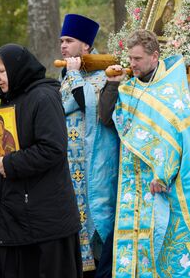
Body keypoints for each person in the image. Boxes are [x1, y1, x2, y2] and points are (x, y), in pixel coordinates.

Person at [99, 30, 190, 277]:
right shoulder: (128, 88)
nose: (132, 64)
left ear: (154, 56)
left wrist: (162, 173)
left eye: (137, 58)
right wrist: (112, 86)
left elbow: (179, 140)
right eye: (130, 58)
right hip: (134, 183)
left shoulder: (171, 90)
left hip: (165, 183)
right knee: (137, 248)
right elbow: (106, 118)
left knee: (168, 244)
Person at [0, 44, 82, 278]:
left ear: (16, 69)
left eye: (1, 71)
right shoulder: (8, 101)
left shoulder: (43, 97)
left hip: (45, 221)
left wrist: (12, 164)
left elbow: (53, 148)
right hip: (14, 214)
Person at [58, 14, 119, 277]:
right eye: (61, 40)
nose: (63, 46)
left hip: (93, 162)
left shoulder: (102, 75)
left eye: (69, 41)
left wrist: (73, 75)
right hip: (69, 164)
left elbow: (89, 105)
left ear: (85, 46)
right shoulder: (67, 72)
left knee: (95, 220)